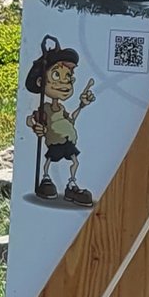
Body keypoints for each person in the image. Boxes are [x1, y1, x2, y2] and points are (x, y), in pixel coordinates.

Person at [25, 42, 96, 207]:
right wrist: (36, 127)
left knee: (74, 162)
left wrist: (82, 105)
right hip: (55, 141)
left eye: (68, 77)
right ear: (41, 81)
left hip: (67, 141)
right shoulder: (46, 108)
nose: (65, 83)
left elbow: (71, 119)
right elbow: (32, 119)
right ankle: (46, 179)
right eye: (57, 75)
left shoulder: (62, 108)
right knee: (50, 160)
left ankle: (71, 185)